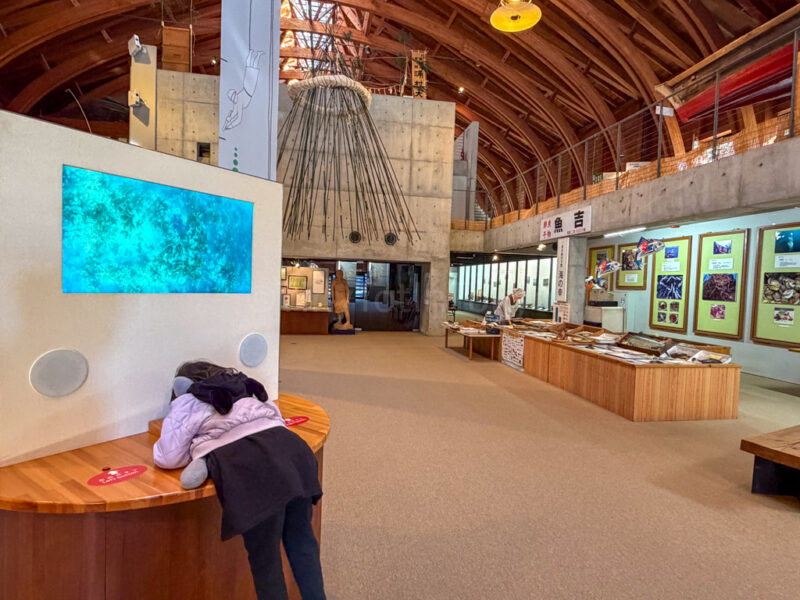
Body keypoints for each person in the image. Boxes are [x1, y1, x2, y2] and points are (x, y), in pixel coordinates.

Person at [153, 361, 325, 600]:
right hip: (293, 455)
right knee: (302, 540)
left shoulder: (188, 400)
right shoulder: (244, 386)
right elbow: (277, 419)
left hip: (254, 473)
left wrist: (198, 446)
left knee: (265, 559)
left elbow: (168, 457)